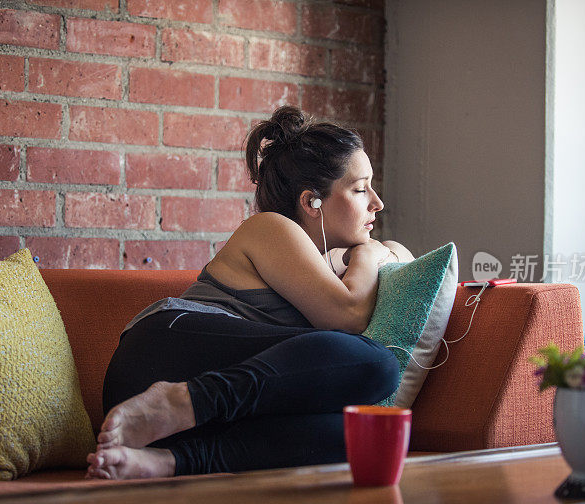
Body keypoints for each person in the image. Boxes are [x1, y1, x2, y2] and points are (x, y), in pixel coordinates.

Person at [86, 106, 416, 480]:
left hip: (181, 423)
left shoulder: (337, 259)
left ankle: (170, 460)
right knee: (377, 363)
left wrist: (364, 253)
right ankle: (182, 401)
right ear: (311, 203)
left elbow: (404, 258)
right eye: (360, 189)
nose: (377, 202)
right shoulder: (269, 229)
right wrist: (369, 254)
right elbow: (348, 317)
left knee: (365, 435)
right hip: (160, 356)